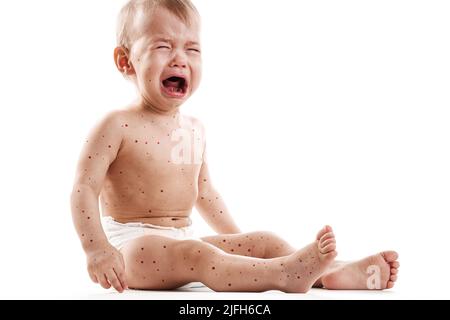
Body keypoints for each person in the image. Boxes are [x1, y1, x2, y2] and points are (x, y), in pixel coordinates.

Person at [70, 0, 398, 293]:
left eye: (192, 49)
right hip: (131, 248)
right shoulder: (116, 126)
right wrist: (96, 248)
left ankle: (331, 274)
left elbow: (205, 193)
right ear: (125, 61)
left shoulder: (192, 129)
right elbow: (84, 188)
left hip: (183, 241)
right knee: (200, 256)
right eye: (163, 47)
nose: (180, 59)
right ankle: (283, 275)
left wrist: (239, 245)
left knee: (263, 241)